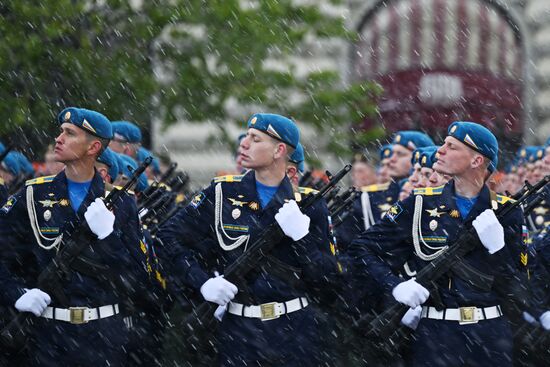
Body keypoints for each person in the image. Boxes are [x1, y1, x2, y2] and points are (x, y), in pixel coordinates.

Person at [158, 113, 338, 366]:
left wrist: (303, 237)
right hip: (239, 330)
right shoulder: (221, 193)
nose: (245, 144)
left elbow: (329, 276)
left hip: (294, 329)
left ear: (279, 151)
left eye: (256, 139)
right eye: (248, 137)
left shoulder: (310, 204)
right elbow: (167, 237)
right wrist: (202, 281)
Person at [350, 121, 526, 367]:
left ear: (476, 161)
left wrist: (499, 249)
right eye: (443, 144)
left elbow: (519, 285)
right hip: (437, 333)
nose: (441, 150)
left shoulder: (507, 211)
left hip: (489, 335)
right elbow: (363, 248)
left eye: (451, 147)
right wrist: (395, 286)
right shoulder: (420, 204)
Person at [0, 107, 144, 366]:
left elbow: (136, 276)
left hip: (103, 335)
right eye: (60, 132)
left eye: (69, 133)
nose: (59, 138)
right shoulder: (32, 196)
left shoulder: (122, 203)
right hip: (49, 334)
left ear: (93, 147)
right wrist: (16, 293)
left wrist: (108, 237)